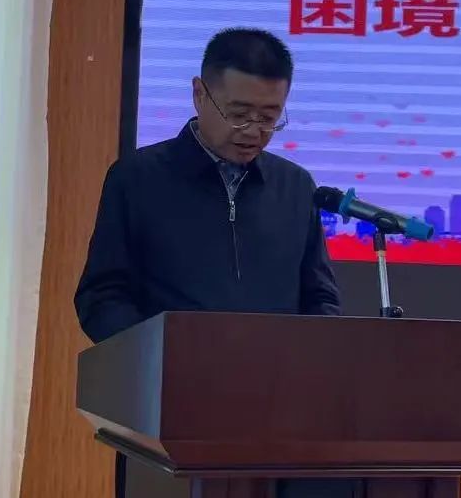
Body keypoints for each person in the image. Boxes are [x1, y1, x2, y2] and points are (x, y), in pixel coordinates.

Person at [75, 26, 342, 344]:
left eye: (268, 118)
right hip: (167, 369)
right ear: (199, 94)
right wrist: (153, 353)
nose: (252, 131)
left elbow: (320, 297)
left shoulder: (295, 186)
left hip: (276, 371)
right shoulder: (137, 178)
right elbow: (102, 296)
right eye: (239, 114)